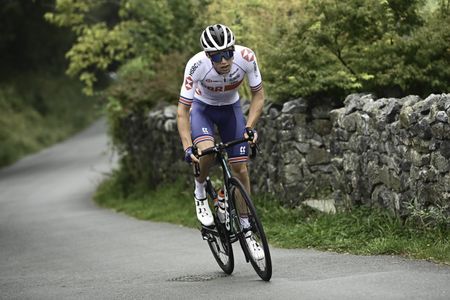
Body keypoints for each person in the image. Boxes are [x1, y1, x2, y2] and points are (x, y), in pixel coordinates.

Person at [176, 24, 265, 259]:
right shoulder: (196, 65)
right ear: (208, 55)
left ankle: (247, 230)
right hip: (202, 110)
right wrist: (187, 146)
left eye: (228, 53)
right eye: (217, 56)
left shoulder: (246, 57)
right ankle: (200, 191)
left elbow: (259, 95)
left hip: (231, 110)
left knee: (240, 169)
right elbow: (182, 111)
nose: (224, 60)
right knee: (208, 152)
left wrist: (249, 127)